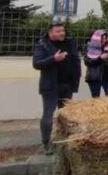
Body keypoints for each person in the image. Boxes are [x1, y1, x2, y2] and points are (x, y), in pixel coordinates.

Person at [33, 22, 81, 155]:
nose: (62, 33)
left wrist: (76, 78)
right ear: (50, 33)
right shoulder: (42, 44)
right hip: (50, 86)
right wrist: (53, 59)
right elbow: (36, 63)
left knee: (65, 115)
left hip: (67, 85)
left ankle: (64, 141)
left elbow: (75, 60)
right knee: (48, 115)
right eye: (58, 31)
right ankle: (47, 143)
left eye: (63, 31)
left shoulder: (70, 42)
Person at [83, 29, 108, 98]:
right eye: (102, 38)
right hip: (94, 77)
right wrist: (100, 58)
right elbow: (87, 62)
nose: (104, 40)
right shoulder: (90, 48)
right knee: (96, 100)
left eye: (105, 38)